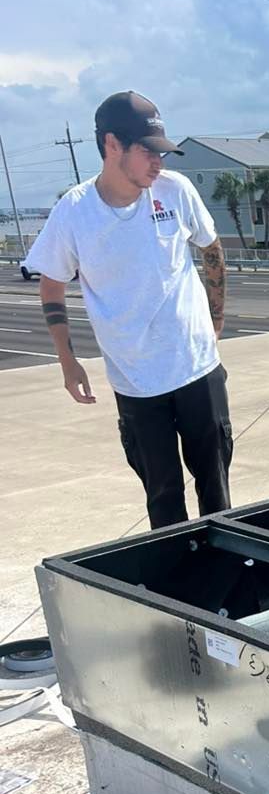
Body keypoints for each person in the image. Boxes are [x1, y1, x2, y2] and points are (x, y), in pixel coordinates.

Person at [26, 91, 232, 529]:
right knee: (163, 498)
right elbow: (51, 285)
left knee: (216, 489)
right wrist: (67, 360)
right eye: (148, 152)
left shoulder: (176, 191)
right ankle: (176, 589)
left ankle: (230, 582)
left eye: (162, 152)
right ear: (111, 145)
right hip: (135, 382)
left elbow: (211, 249)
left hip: (197, 368)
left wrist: (215, 323)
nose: (159, 163)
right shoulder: (75, 212)